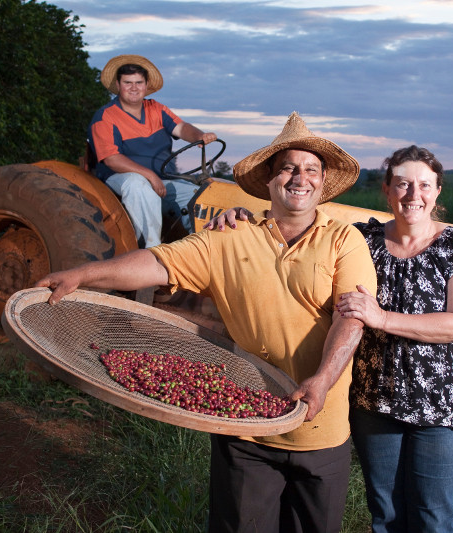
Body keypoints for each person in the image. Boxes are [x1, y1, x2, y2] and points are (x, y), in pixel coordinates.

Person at [37, 111, 377, 533]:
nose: (298, 178)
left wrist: (323, 380)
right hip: (245, 430)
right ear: (270, 179)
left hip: (321, 431)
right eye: (287, 167)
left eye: (310, 169)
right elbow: (156, 262)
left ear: (323, 182)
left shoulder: (345, 240)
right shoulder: (229, 237)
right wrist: (82, 274)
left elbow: (352, 320)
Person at [207, 145, 453, 532]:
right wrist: (241, 218)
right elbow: (299, 220)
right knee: (385, 514)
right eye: (402, 184)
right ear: (386, 190)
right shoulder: (363, 240)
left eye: (424, 185)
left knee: (432, 516)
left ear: (437, 192)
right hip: (374, 399)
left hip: (437, 402)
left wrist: (381, 317)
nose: (412, 194)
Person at [89, 54, 217, 247]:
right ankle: (152, 252)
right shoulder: (105, 116)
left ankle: (203, 252)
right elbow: (112, 159)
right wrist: (149, 175)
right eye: (128, 82)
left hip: (162, 178)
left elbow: (181, 128)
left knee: (201, 195)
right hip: (120, 179)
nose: (134, 87)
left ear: (146, 85)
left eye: (139, 82)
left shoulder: (156, 109)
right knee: (138, 184)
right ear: (118, 85)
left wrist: (199, 136)